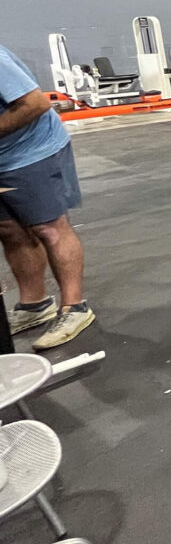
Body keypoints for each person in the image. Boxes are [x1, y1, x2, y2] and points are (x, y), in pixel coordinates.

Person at [0, 42, 94, 350]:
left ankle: (75, 307)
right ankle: (34, 306)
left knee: (49, 227)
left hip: (31, 153)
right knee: (10, 230)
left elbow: (35, 103)